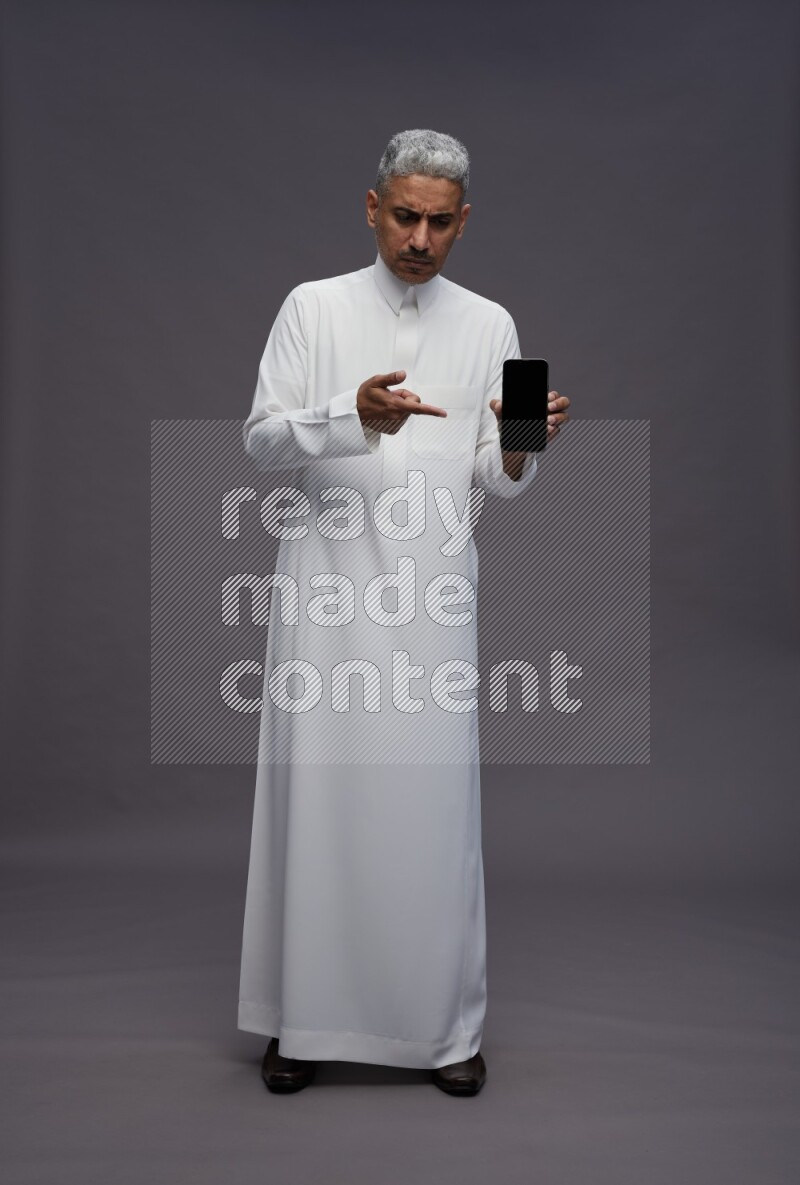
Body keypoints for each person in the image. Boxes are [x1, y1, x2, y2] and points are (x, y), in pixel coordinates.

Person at [238, 128, 570, 1096]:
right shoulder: (313, 308)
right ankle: (300, 1022)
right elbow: (261, 438)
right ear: (371, 207)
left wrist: (520, 446)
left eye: (437, 222)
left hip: (430, 600)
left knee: (429, 816)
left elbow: (493, 482)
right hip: (325, 594)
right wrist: (352, 415)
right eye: (402, 216)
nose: (417, 237)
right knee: (319, 803)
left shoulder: (489, 324)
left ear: (460, 222)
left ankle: (440, 1031)